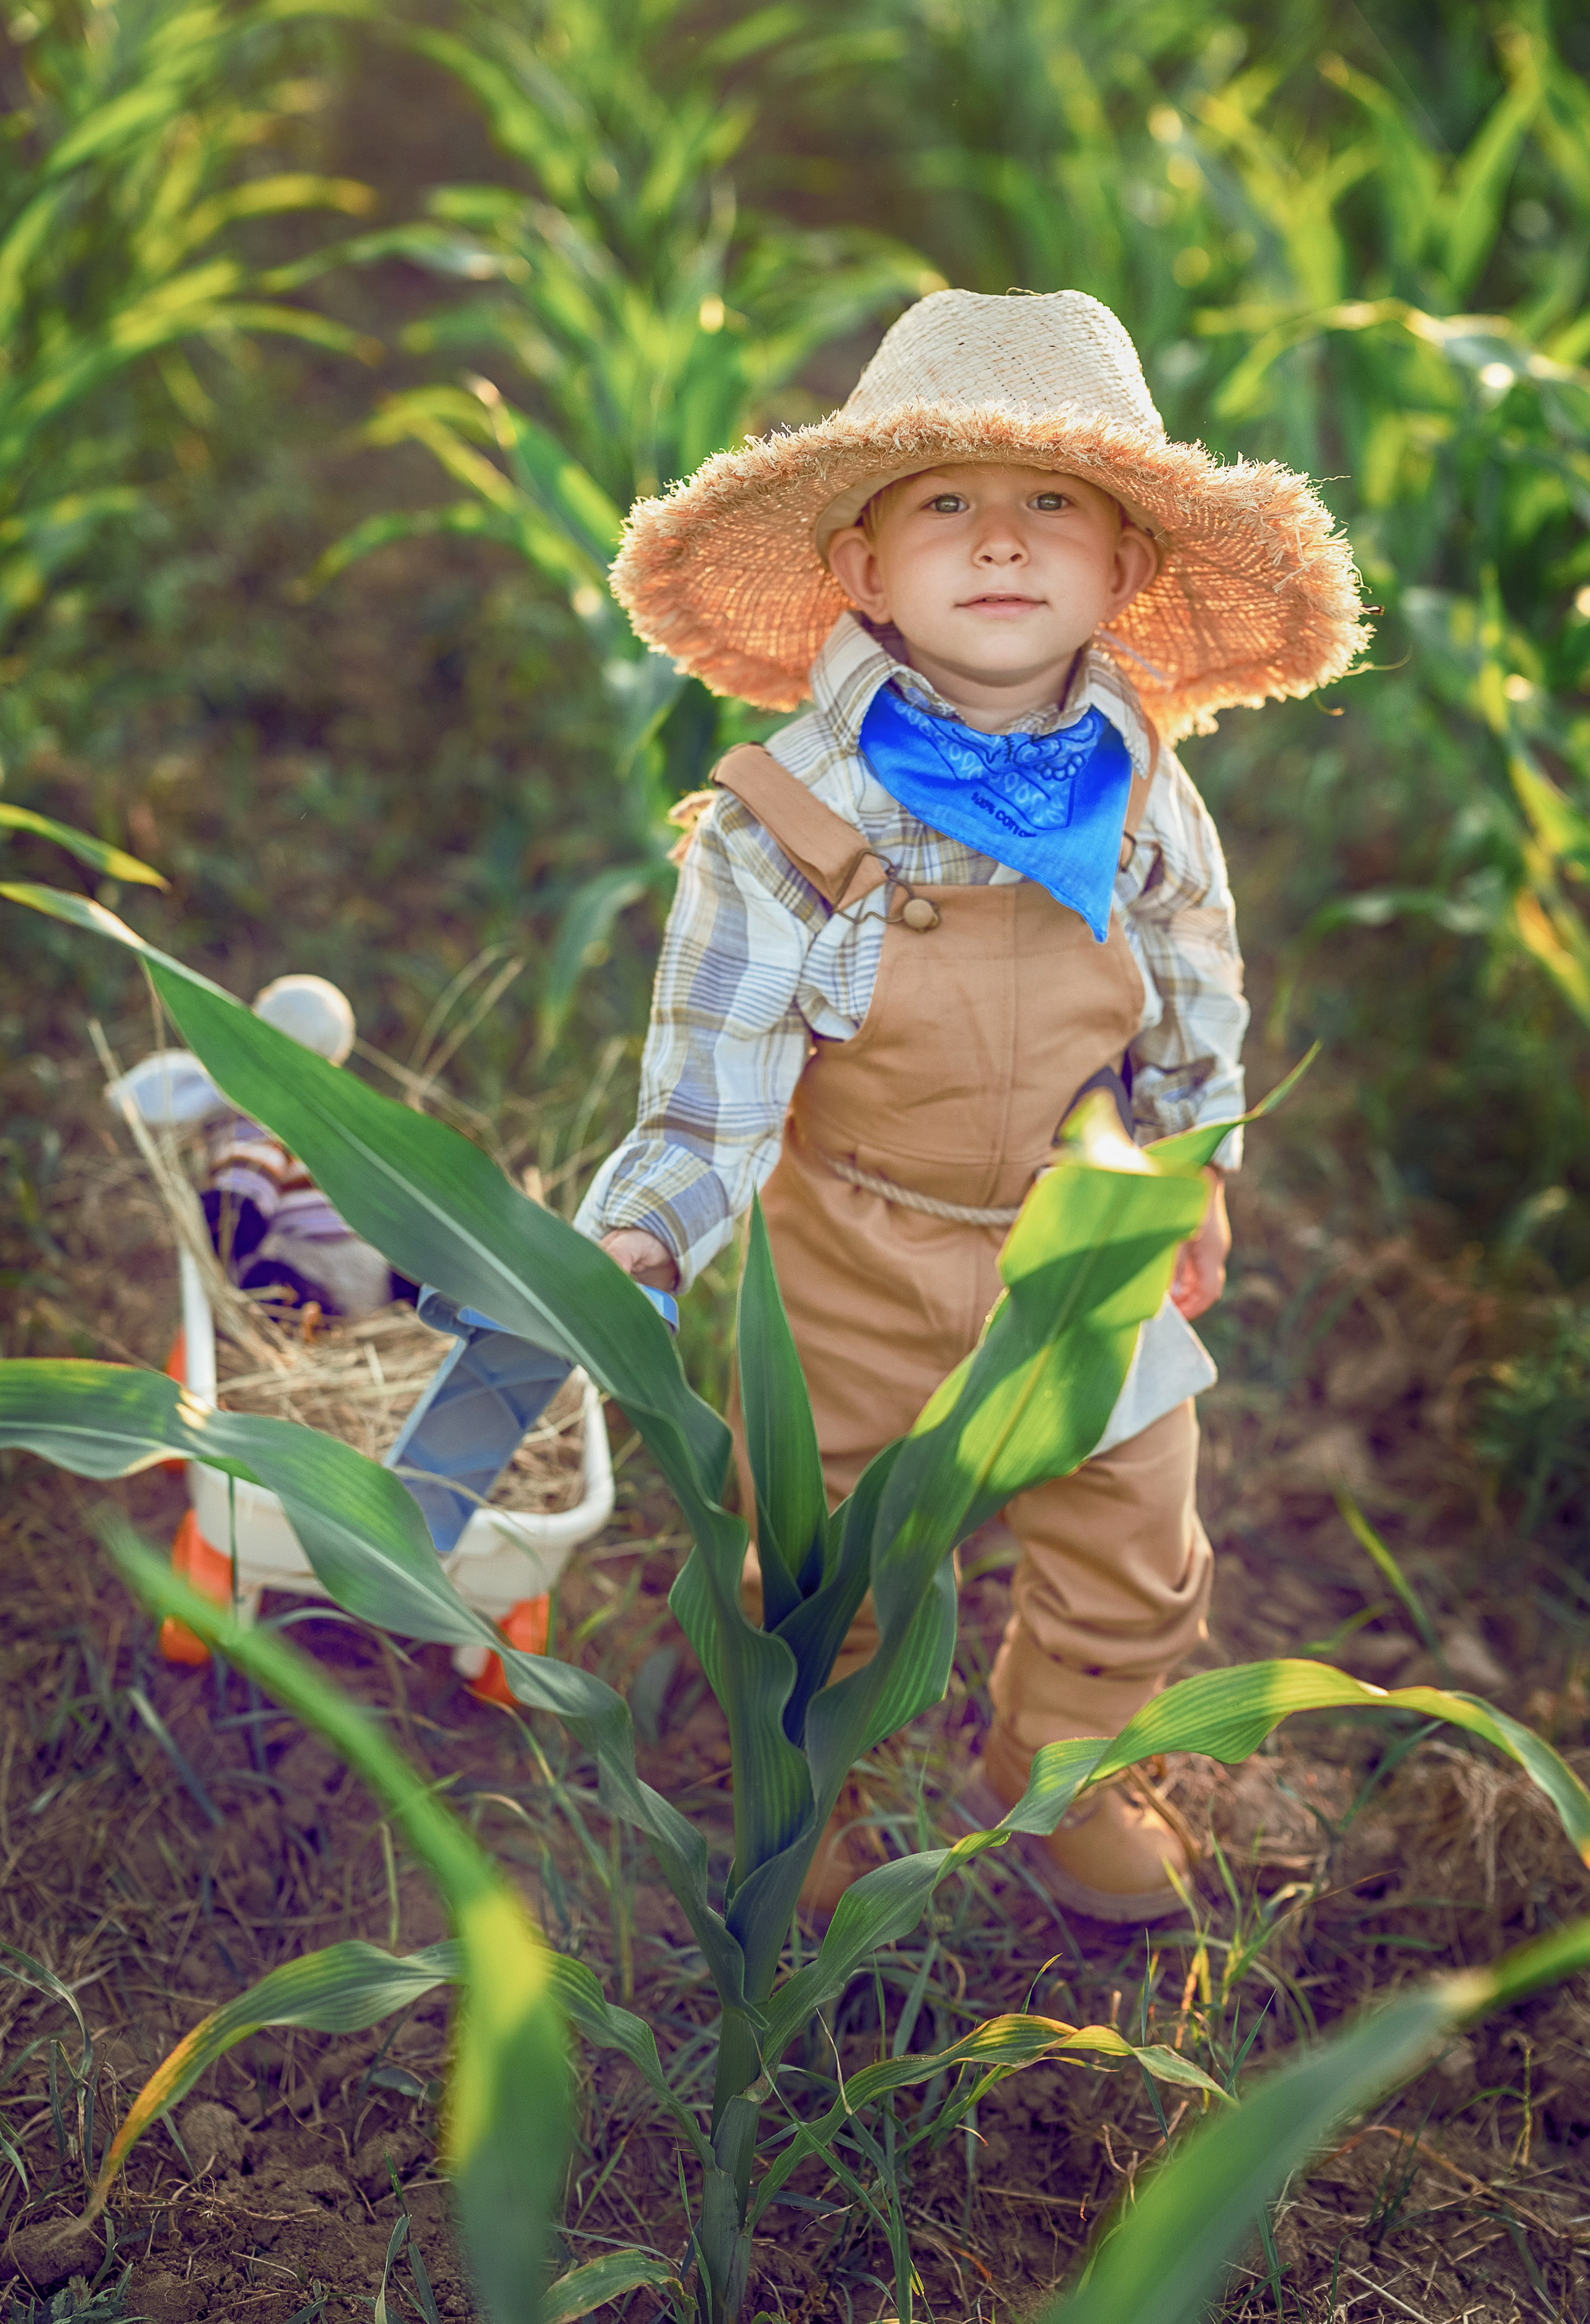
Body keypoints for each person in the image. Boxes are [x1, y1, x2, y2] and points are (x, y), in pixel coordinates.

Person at [575, 289, 1367, 1922]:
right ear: (863, 568)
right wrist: (645, 1239)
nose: (1000, 542)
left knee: (1136, 1533)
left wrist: (1194, 1161)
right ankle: (821, 1786)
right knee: (821, 1543)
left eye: (1052, 507)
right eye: (946, 502)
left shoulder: (1143, 782)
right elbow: (712, 1077)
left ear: (1122, 567)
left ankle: (1062, 1775)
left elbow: (1193, 980)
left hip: (1085, 1227)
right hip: (859, 1236)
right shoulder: (786, 813)